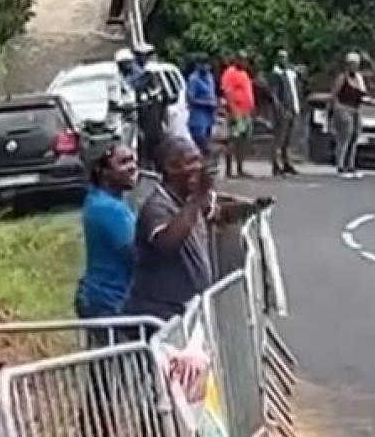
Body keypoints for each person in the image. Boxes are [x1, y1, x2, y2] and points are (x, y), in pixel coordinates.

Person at [124, 138, 272, 320]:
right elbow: (167, 242)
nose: (199, 168)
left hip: (188, 311)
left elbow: (219, 215)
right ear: (170, 167)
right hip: (162, 314)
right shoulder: (157, 207)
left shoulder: (190, 203)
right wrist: (197, 198)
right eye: (191, 161)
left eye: (200, 160)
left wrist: (252, 207)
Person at [76, 144, 139, 328]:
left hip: (102, 298)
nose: (133, 167)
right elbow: (137, 253)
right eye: (123, 162)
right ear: (103, 172)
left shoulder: (100, 199)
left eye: (133, 159)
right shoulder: (108, 208)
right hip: (110, 302)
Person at [330, 52, 367, 179]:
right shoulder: (343, 77)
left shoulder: (359, 78)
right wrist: (336, 108)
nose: (355, 67)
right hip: (344, 107)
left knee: (355, 136)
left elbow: (362, 93)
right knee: (345, 136)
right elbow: (334, 94)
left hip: (356, 108)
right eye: (352, 64)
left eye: (356, 64)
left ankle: (351, 165)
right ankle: (341, 165)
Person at [221, 51, 256, 178]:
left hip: (246, 111)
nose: (244, 62)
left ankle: (240, 168)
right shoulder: (230, 73)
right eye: (242, 60)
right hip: (236, 111)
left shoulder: (244, 73)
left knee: (243, 140)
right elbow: (228, 92)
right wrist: (233, 111)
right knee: (233, 139)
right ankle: (229, 169)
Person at [269, 49, 303, 177]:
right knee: (279, 139)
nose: (284, 60)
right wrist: (282, 110)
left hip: (293, 108)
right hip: (283, 111)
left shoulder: (290, 73)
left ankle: (287, 163)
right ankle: (277, 165)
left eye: (286, 57)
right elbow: (274, 95)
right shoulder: (276, 74)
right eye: (281, 57)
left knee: (288, 140)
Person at [186, 55, 218, 154]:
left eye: (207, 64)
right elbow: (190, 99)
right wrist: (206, 103)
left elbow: (211, 93)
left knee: (208, 141)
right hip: (198, 117)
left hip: (209, 116)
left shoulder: (209, 76)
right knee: (201, 143)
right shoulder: (194, 79)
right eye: (203, 64)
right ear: (197, 65)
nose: (206, 67)